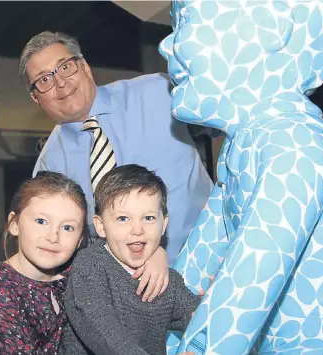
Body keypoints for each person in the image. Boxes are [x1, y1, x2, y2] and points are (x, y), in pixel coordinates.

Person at [18, 32, 214, 294]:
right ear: (35, 98)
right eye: (44, 80)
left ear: (84, 66)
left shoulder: (158, 92)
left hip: (217, 263)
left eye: (65, 67)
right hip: (134, 304)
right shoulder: (50, 167)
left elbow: (225, 121)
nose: (61, 83)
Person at [63, 164, 201, 355]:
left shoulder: (168, 280)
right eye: (123, 219)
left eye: (149, 218)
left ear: (164, 225)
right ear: (101, 226)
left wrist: (215, 299)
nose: (137, 229)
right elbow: (103, 330)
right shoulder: (89, 266)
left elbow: (199, 317)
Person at [0, 171, 89, 354]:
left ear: (80, 239)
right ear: (14, 224)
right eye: (41, 221)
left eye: (67, 227)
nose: (53, 236)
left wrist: (152, 256)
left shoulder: (75, 275)